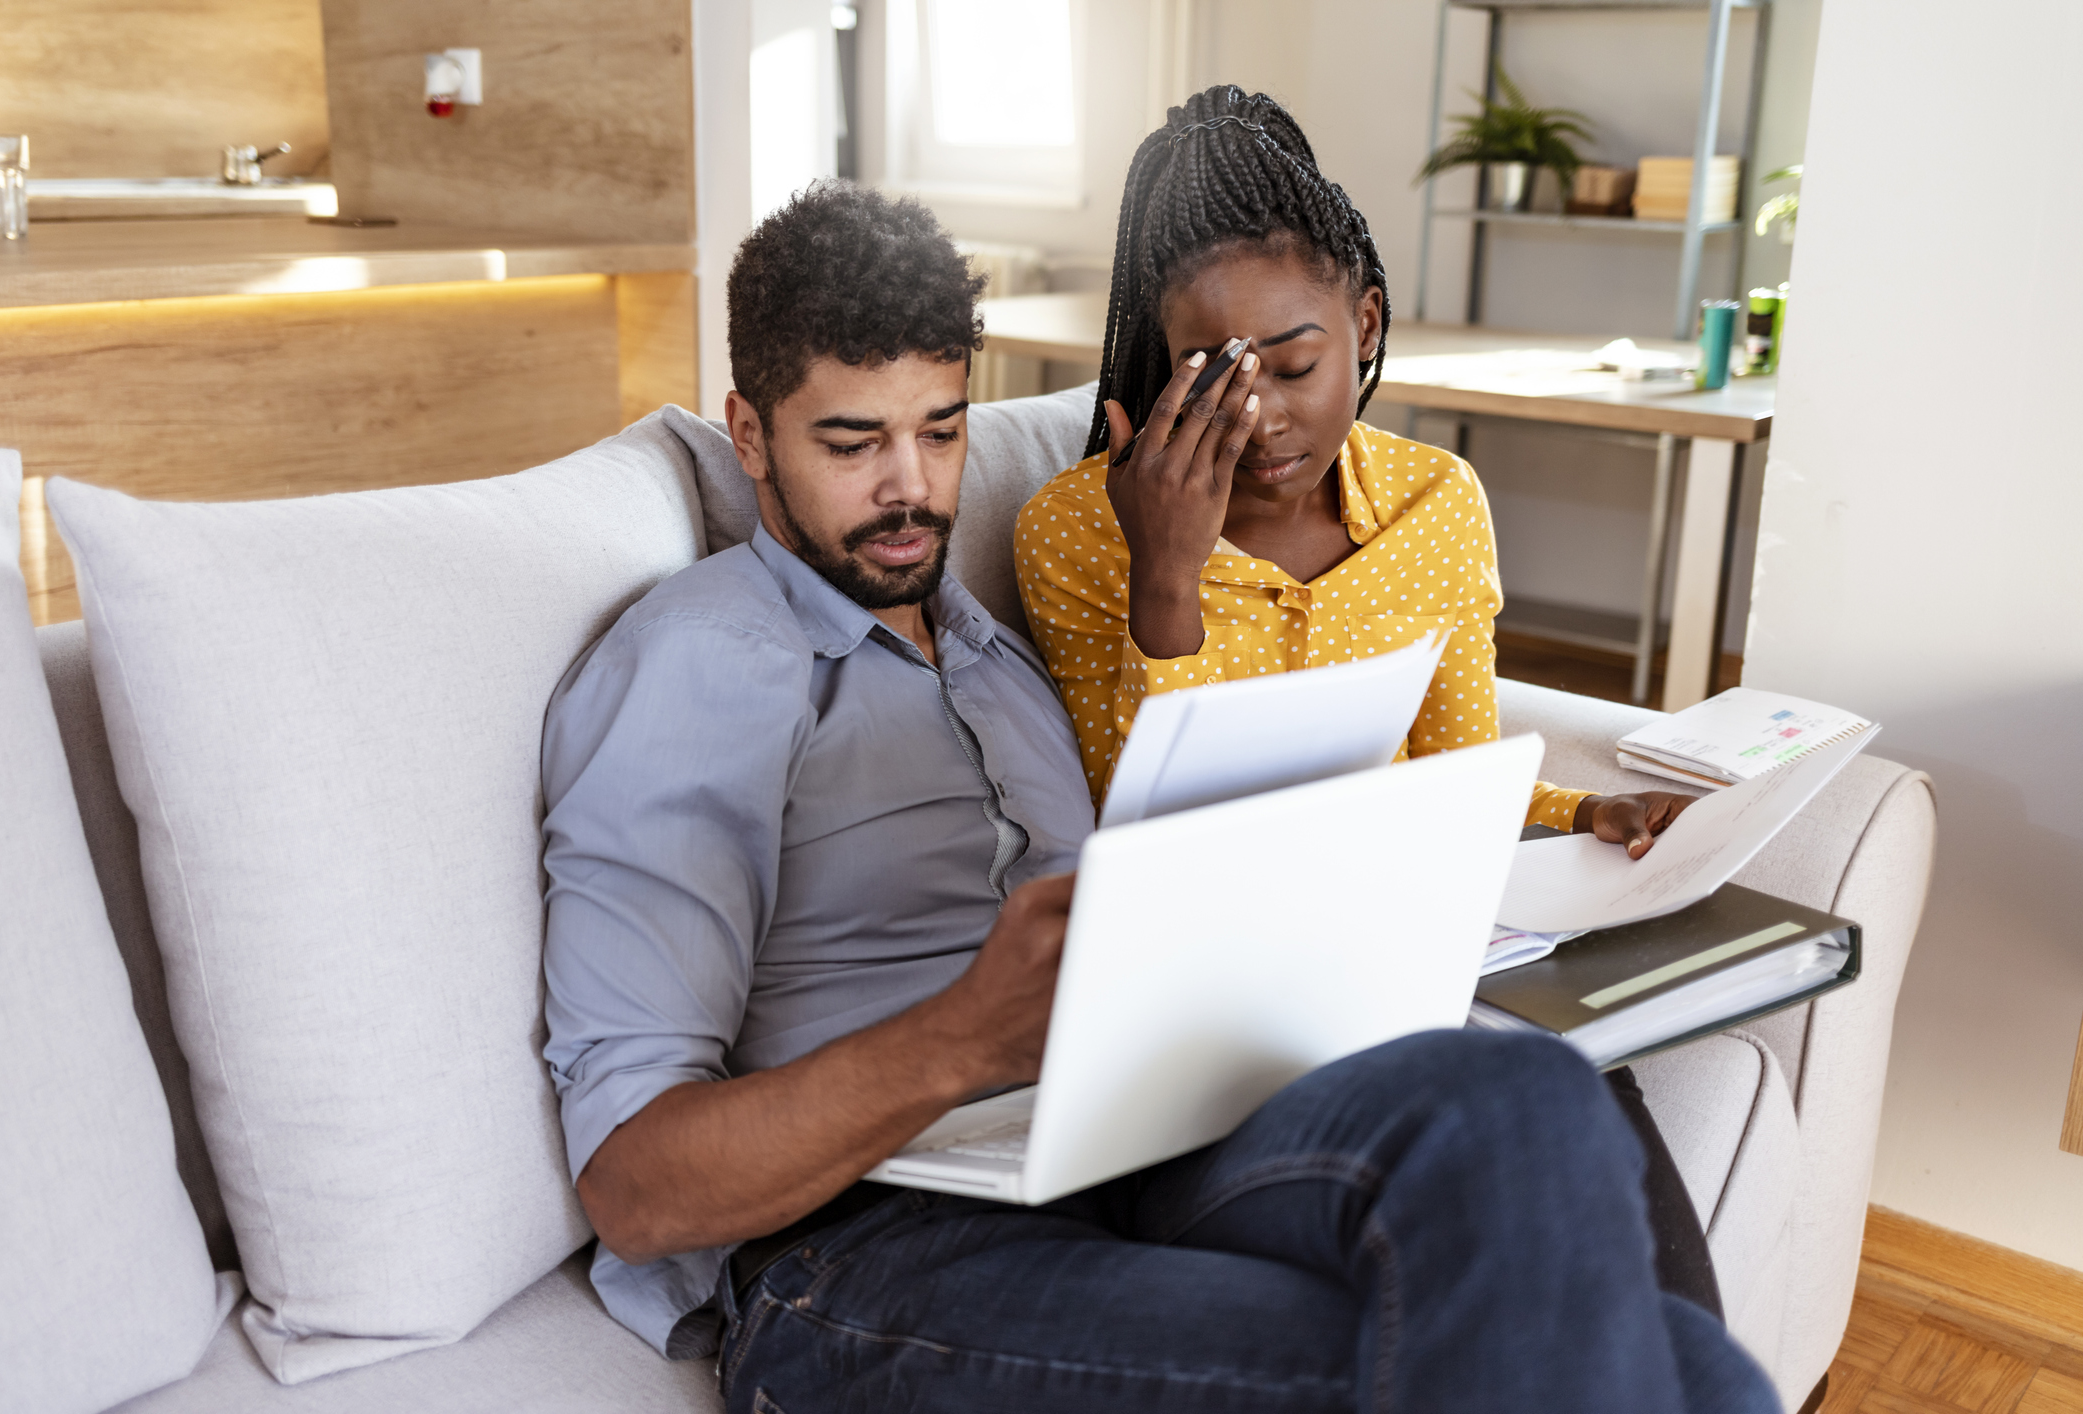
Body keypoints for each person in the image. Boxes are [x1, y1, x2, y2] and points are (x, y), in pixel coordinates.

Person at [540, 180, 1778, 1413]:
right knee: (1663, 1375)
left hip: (1132, 1145)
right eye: (852, 443)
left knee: (1528, 1093)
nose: (911, 490)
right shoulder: (695, 667)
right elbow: (637, 1188)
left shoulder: (993, 652)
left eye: (942, 430)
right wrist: (965, 1034)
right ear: (749, 435)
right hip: (869, 1252)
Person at [1012, 86, 1722, 1314]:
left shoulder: (1437, 505)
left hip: (1398, 950)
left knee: (1590, 1125)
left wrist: (1574, 813)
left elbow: (1449, 775)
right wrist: (1166, 573)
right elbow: (1133, 831)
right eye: (1210, 378)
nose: (1262, 418)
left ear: (1366, 321)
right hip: (1209, 996)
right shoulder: (1079, 530)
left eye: (1294, 364)